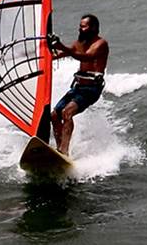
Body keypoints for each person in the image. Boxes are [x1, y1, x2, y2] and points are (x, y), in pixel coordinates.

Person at [43, 14, 109, 156]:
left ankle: (64, 151)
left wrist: (62, 46)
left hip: (91, 89)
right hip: (78, 88)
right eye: (80, 26)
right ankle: (59, 149)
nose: (80, 29)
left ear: (94, 28)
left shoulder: (101, 44)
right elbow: (59, 54)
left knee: (67, 113)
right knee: (54, 115)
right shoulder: (78, 44)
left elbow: (85, 56)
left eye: (84, 26)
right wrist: (45, 51)